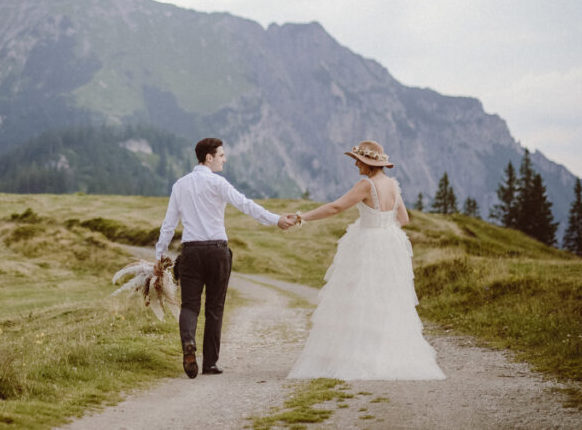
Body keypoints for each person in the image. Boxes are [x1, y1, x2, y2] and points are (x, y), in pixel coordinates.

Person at [286, 140, 445, 380]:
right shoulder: (393, 185)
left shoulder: (366, 185)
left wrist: (301, 217)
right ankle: (388, 356)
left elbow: (336, 207)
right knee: (386, 298)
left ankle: (358, 356)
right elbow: (403, 219)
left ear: (369, 164)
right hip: (391, 244)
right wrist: (384, 227)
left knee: (358, 297)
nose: (355, 163)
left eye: (358, 160)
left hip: (367, 244)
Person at [155, 137, 296, 379]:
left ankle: (188, 343)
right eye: (221, 155)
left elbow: (169, 225)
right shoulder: (218, 183)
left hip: (191, 252)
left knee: (189, 305)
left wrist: (160, 255)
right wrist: (276, 220)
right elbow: (246, 205)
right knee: (214, 308)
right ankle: (210, 363)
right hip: (217, 251)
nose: (224, 159)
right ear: (208, 158)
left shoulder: (180, 185)